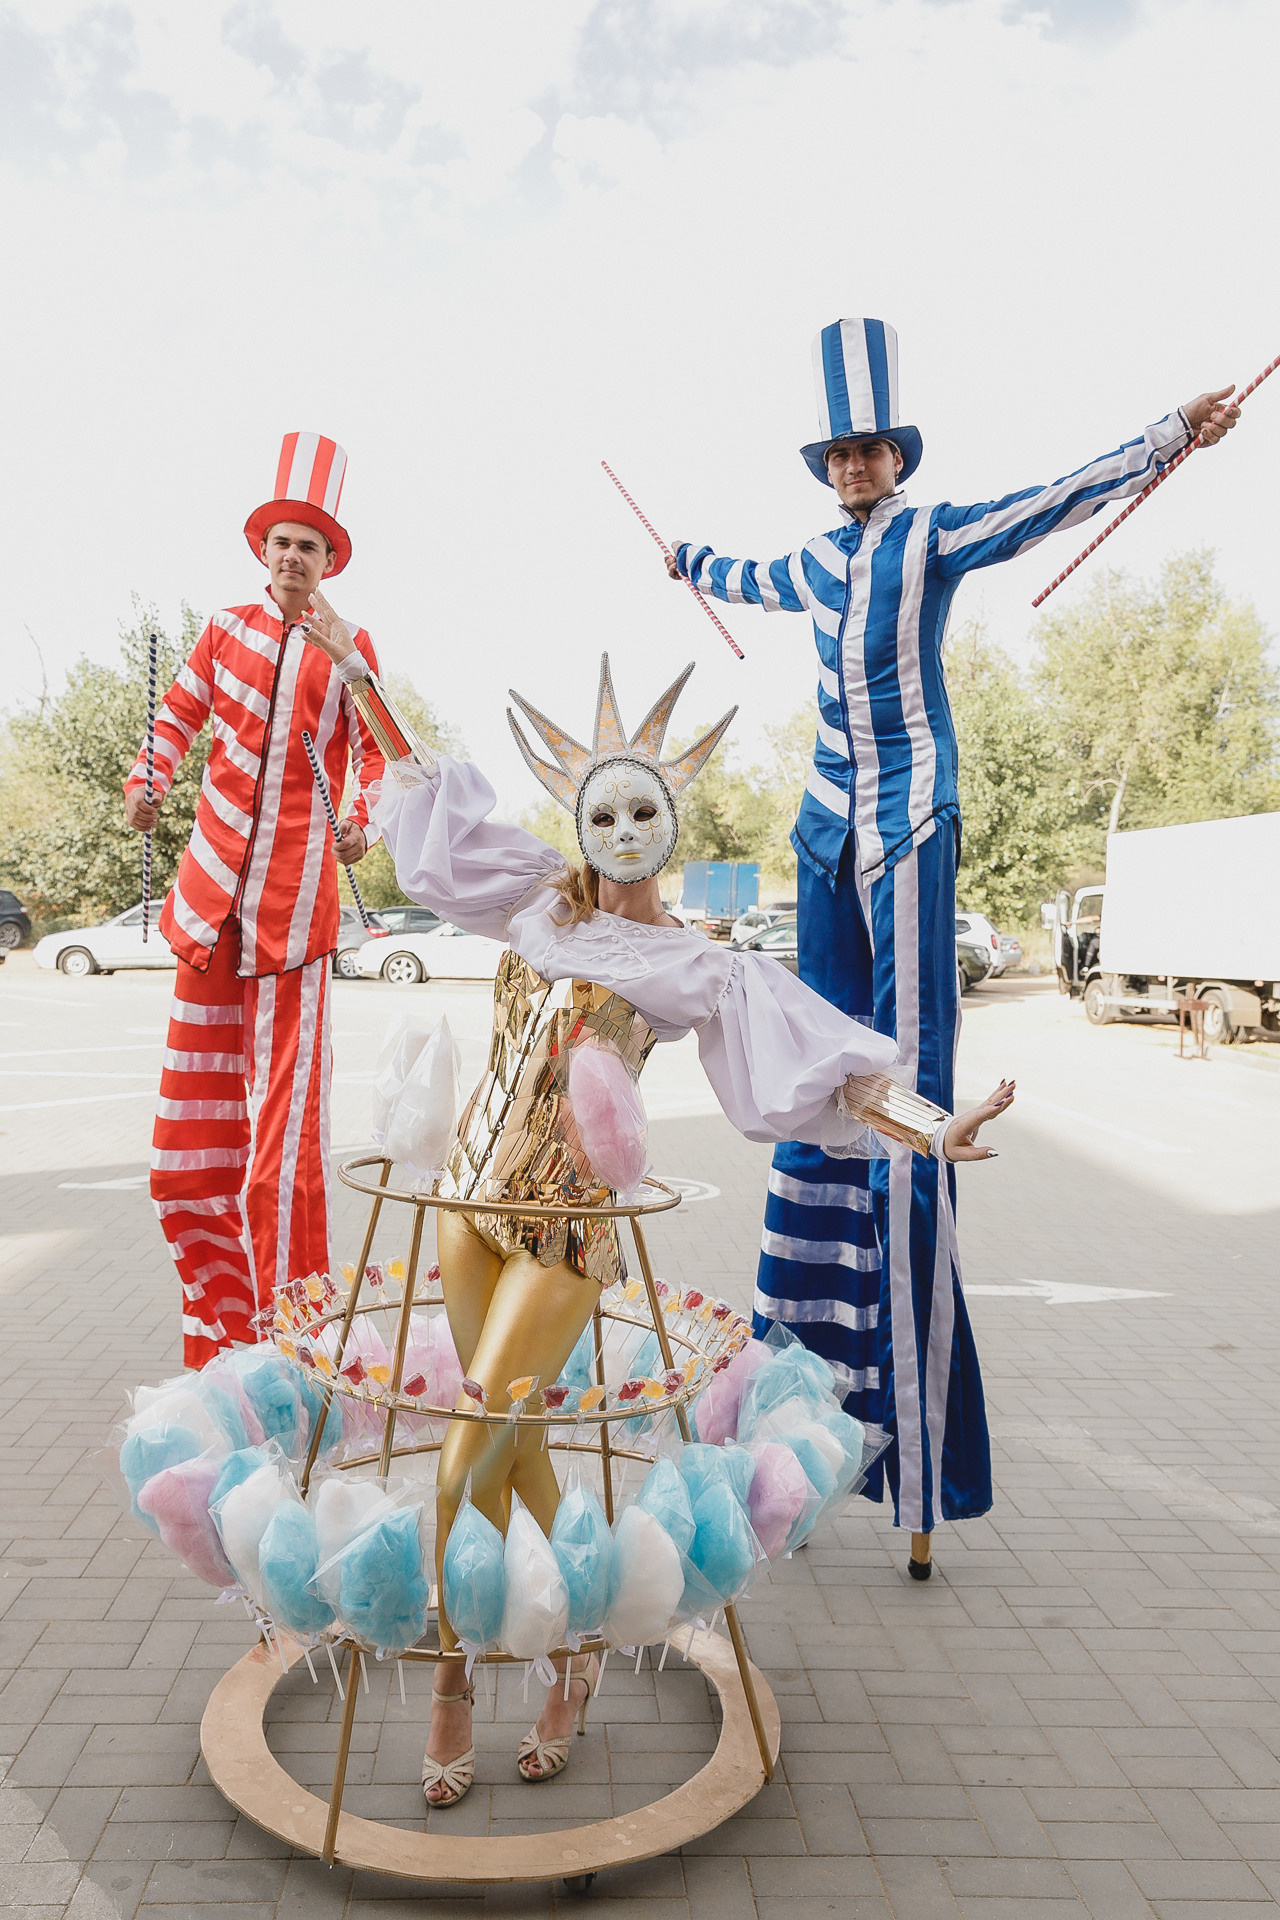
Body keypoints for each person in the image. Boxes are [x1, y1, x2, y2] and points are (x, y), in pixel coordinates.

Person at [298, 607, 1013, 1805]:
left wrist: (932, 1129)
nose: (622, 831)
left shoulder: (699, 964)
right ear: (576, 821)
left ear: (669, 830)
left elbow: (827, 1064)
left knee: (470, 1437)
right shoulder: (531, 898)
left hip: (569, 1229)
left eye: (643, 814)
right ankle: (573, 1650)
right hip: (466, 1203)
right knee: (516, 1442)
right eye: (603, 812)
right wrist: (355, 668)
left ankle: (448, 1673)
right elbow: (430, 796)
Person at [665, 318, 1240, 1573]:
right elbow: (742, 575)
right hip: (824, 824)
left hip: (911, 817)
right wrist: (684, 557)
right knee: (821, 1094)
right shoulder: (815, 561)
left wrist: (1167, 437)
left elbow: (1047, 503)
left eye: (868, 449)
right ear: (822, 466)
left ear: (895, 457)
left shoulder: (931, 536)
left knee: (906, 1103)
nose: (853, 467)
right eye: (836, 454)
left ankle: (914, 1466)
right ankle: (795, 1432)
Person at [123, 434, 386, 1369]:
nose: (292, 557)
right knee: (192, 1148)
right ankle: (218, 1338)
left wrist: (359, 820)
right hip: (210, 913)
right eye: (282, 541)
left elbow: (374, 754)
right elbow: (175, 720)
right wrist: (146, 779)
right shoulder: (224, 631)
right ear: (262, 550)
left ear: (328, 562)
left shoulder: (349, 648)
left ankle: (295, 1347)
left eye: (309, 546)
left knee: (286, 1152)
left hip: (296, 918)